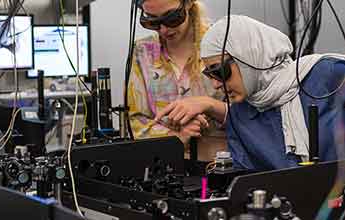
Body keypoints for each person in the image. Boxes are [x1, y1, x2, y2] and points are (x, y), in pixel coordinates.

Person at [155, 15, 345, 170]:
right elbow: (246, 178)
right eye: (209, 74)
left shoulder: (325, 74)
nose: (215, 85)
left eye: (219, 72)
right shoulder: (240, 114)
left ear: (248, 57)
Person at [127, 0, 227, 161]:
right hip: (166, 168)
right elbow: (135, 121)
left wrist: (210, 105)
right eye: (153, 21)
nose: (164, 30)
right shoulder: (142, 52)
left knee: (204, 187)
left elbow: (252, 117)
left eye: (172, 18)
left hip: (218, 167)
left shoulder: (223, 43)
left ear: (188, 4)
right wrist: (174, 137)